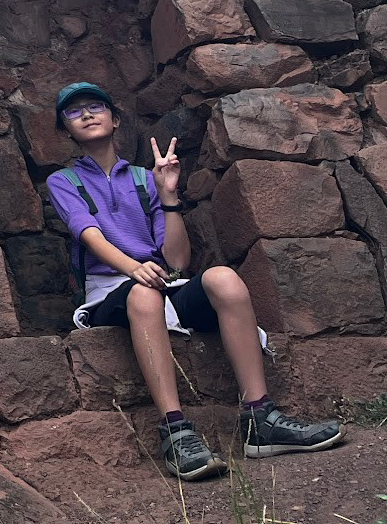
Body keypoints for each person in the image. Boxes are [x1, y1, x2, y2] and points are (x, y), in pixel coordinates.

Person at [47, 81, 344, 481]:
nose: (85, 114)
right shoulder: (64, 181)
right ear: (66, 129)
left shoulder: (144, 179)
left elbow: (176, 261)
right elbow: (88, 233)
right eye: (73, 111)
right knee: (143, 294)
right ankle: (175, 430)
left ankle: (260, 419)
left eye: (95, 106)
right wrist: (133, 268)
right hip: (112, 291)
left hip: (161, 282)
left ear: (115, 119)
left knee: (224, 278)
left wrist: (168, 195)